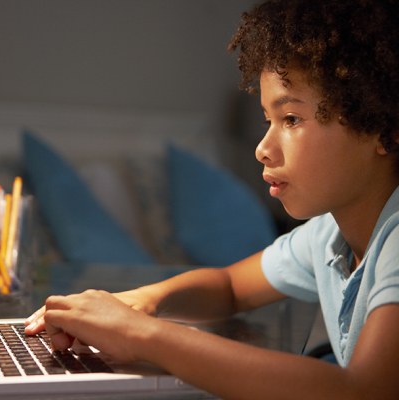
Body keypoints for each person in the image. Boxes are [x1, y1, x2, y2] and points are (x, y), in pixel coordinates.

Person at [25, 0, 399, 398]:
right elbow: (230, 287)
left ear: (385, 128)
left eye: (291, 119)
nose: (262, 148)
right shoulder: (328, 234)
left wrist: (142, 336)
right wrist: (141, 301)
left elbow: (365, 389)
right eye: (267, 121)